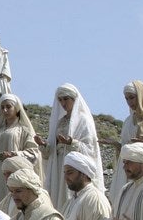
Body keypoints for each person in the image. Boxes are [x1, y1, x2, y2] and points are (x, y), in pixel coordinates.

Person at [36, 84, 101, 212]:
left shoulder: (83, 120)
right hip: (59, 166)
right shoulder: (60, 122)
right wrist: (44, 145)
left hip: (75, 167)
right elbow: (51, 149)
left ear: (74, 99)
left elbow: (90, 148)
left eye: (66, 99)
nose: (63, 103)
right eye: (60, 100)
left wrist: (72, 143)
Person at [0, 93, 42, 207]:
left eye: (8, 107)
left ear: (16, 108)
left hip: (15, 171)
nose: (5, 110)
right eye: (2, 107)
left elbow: (34, 152)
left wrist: (15, 154)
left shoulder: (24, 130)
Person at [0, 155, 33, 220]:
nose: (7, 178)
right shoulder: (6, 201)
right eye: (5, 174)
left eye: (10, 174)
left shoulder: (37, 197)